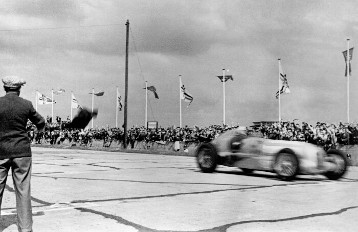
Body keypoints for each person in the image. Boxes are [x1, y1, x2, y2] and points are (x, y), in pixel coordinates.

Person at [0, 76, 45, 232]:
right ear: (19, 89)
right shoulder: (26, 104)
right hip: (22, 151)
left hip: (0, 151)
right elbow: (41, 122)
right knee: (23, 191)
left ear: (5, 88)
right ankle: (25, 229)